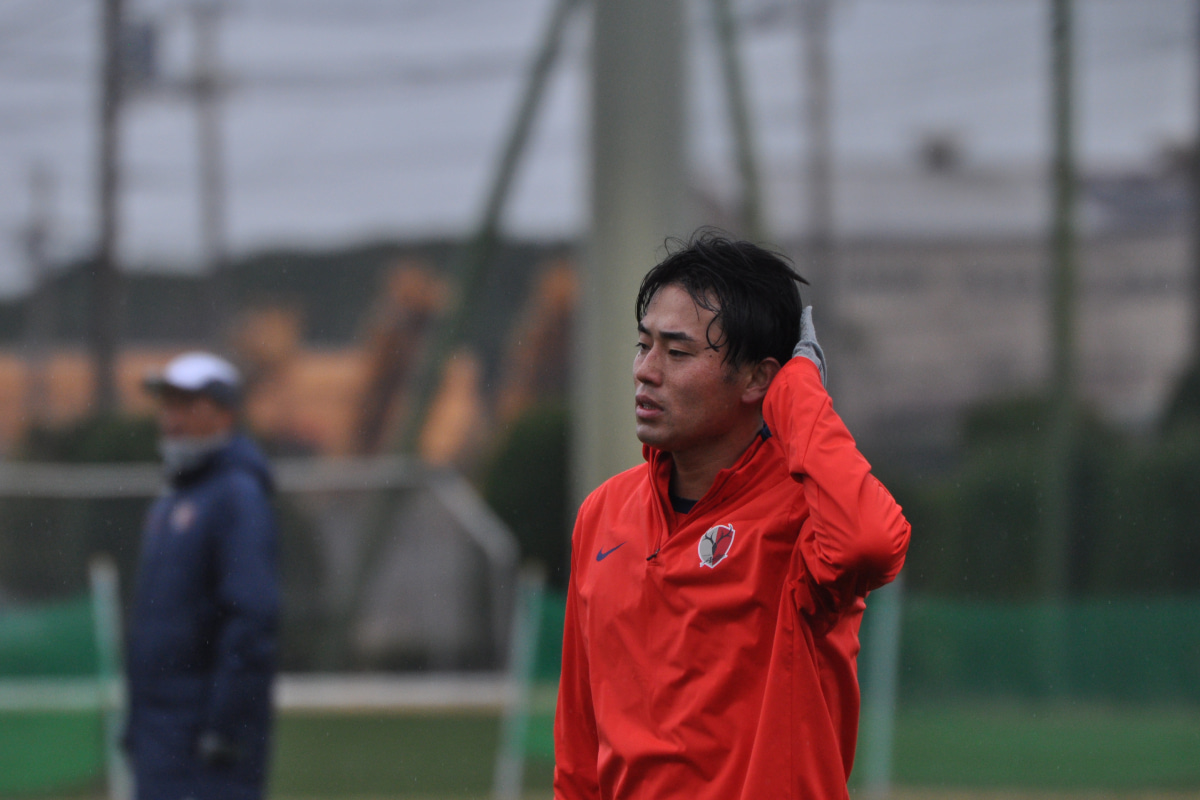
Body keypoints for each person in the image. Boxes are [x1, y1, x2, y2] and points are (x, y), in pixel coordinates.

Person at [553, 231, 911, 800]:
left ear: (757, 378)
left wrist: (800, 390)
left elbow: (870, 543)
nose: (646, 370)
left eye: (677, 353)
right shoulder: (604, 513)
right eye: (643, 345)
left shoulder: (804, 516)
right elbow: (579, 750)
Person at [125, 351, 280, 800]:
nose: (171, 419)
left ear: (224, 413)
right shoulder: (176, 497)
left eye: (186, 405)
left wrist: (226, 725)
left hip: (201, 740)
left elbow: (252, 617)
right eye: (167, 405)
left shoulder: (236, 496)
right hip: (161, 734)